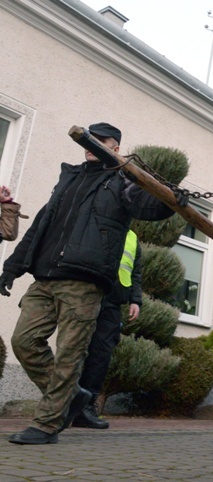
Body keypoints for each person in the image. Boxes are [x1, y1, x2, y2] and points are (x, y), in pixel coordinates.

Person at [0, 122, 175, 445]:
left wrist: (170, 197)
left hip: (84, 280)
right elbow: (42, 224)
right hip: (45, 274)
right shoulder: (70, 177)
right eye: (90, 139)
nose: (91, 145)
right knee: (24, 341)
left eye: (102, 141)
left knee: (69, 353)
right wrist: (13, 266)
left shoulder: (122, 180)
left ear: (116, 147)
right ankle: (74, 395)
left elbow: (148, 205)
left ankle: (47, 424)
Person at [73, 229, 142, 429]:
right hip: (89, 295)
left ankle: (86, 408)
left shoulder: (132, 237)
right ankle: (63, 403)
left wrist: (135, 299)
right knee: (74, 348)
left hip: (113, 303)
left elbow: (136, 271)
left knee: (101, 355)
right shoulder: (101, 223)